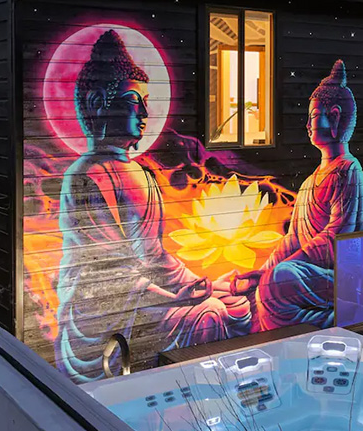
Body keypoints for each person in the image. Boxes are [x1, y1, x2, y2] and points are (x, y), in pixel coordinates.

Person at [55, 30, 250, 381]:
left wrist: (200, 284)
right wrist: (184, 297)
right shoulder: (86, 174)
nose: (145, 112)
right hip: (104, 305)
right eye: (134, 101)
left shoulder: (143, 174)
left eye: (147, 102)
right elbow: (108, 270)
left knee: (234, 306)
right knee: (209, 315)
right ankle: (186, 392)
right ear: (99, 103)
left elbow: (155, 255)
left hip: (146, 292)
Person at [236, 60, 363, 329]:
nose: (307, 125)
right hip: (309, 271)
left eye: (313, 116)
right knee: (265, 286)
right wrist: (263, 270)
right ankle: (308, 329)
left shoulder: (348, 170)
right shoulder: (310, 182)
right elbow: (292, 238)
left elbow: (337, 238)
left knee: (279, 279)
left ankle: (330, 323)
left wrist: (283, 268)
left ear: (334, 117)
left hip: (340, 275)